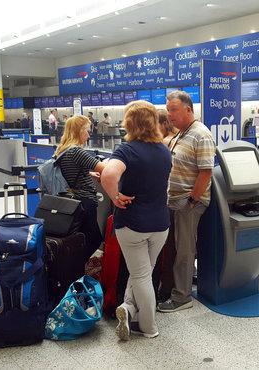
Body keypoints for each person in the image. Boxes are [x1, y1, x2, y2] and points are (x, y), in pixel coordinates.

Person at [101, 100, 171, 341]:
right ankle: (129, 309)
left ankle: (148, 326)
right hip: (160, 224)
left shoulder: (126, 149)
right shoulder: (164, 150)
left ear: (129, 122)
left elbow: (110, 174)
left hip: (133, 224)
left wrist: (115, 196)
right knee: (142, 271)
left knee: (140, 275)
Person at [157, 91, 215, 313]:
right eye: (168, 109)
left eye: (173, 110)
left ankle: (183, 297)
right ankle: (170, 289)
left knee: (184, 250)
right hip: (174, 200)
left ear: (188, 110)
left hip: (188, 202)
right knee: (172, 249)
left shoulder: (201, 134)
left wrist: (191, 201)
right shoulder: (181, 134)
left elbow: (206, 173)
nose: (169, 114)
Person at [54, 115, 108, 262]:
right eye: (87, 131)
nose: (89, 135)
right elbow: (106, 169)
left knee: (78, 239)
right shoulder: (77, 152)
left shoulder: (62, 150)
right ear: (79, 131)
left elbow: (69, 171)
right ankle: (75, 267)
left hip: (72, 201)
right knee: (93, 239)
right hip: (85, 201)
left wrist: (88, 172)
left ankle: (72, 269)